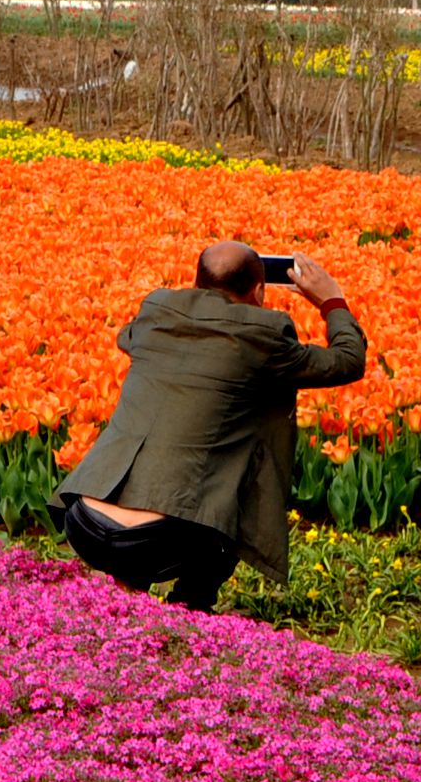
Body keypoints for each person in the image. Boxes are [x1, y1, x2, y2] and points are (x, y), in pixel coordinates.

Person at [53, 243, 365, 611]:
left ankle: (128, 605)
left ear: (197, 283)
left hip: (83, 524)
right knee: (232, 501)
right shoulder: (264, 334)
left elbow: (128, 336)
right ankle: (190, 610)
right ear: (260, 291)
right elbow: (347, 361)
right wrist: (331, 300)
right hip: (158, 541)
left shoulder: (155, 313)